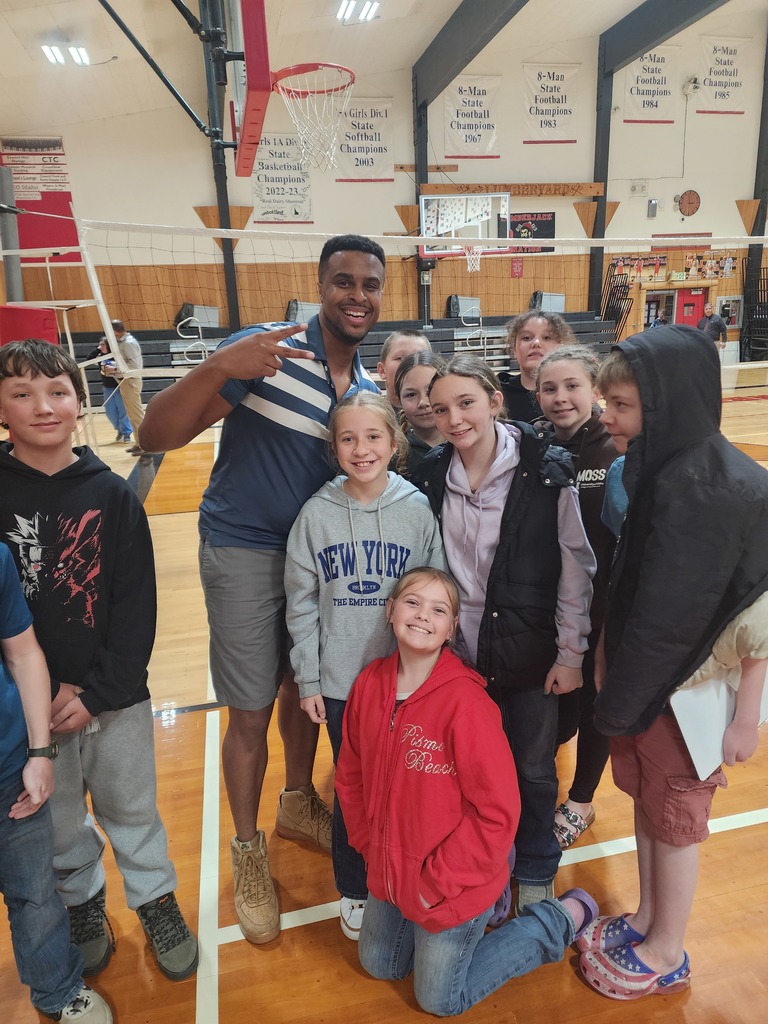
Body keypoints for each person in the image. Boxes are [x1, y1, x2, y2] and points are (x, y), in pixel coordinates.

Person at [138, 235, 386, 945]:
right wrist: (217, 364)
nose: (356, 295)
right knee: (248, 709)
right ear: (320, 286)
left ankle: (298, 800)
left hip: (317, 561)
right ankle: (248, 852)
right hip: (244, 549)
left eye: (369, 284)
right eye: (342, 281)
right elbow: (155, 435)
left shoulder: (364, 390)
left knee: (300, 688)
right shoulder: (269, 351)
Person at [577, 325, 768, 1000]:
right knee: (650, 811)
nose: (608, 417)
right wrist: (609, 667)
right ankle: (649, 916)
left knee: (676, 822)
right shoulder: (664, 469)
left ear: (668, 406)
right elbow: (632, 587)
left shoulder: (712, 490)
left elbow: (673, 619)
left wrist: (618, 699)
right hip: (646, 691)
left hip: (682, 702)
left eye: (622, 406)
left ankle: (665, 946)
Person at [0, 340, 198, 983]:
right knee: (58, 825)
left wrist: (97, 691)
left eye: (57, 391)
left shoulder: (113, 495)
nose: (43, 406)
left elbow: (135, 606)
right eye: (21, 393)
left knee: (132, 808)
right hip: (29, 713)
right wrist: (27, 698)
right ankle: (83, 905)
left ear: (81, 404)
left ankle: (155, 900)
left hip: (114, 700)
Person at [335, 566, 599, 1017]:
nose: (422, 616)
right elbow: (351, 775)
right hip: (392, 871)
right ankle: (461, 918)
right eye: (412, 602)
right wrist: (366, 843)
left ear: (452, 629)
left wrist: (436, 881)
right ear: (390, 610)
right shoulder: (368, 685)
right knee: (379, 964)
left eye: (439, 609)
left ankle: (559, 918)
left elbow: (497, 814)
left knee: (439, 999)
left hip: (452, 883)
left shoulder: (468, 704)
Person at [411, 355, 595, 912]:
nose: (454, 418)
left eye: (466, 402)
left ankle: (536, 866)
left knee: (533, 770)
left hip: (530, 654)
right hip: (462, 661)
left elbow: (574, 566)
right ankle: (489, 869)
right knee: (472, 774)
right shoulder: (431, 474)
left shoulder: (546, 469)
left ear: (495, 401)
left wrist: (571, 653)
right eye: (441, 409)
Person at [285, 392, 445, 940]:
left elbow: (435, 590)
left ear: (394, 443)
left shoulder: (416, 509)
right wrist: (309, 677)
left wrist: (429, 672)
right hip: (341, 685)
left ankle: (404, 874)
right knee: (353, 793)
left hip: (404, 682)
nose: (362, 448)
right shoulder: (315, 515)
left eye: (373, 436)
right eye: (348, 438)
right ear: (333, 448)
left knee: (407, 787)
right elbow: (301, 602)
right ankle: (353, 887)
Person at [0, 541, 112, 1023]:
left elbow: (24, 655)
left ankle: (58, 990)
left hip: (9, 768)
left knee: (36, 892)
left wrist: (40, 752)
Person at [534, 347, 620, 849]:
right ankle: (541, 785)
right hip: (555, 608)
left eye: (571, 386)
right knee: (556, 712)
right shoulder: (534, 445)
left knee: (594, 707)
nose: (561, 397)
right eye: (549, 388)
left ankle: (582, 799)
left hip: (604, 608)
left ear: (594, 389)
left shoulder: (614, 449)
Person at [498, 311, 576, 421]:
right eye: (526, 338)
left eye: (547, 337)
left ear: (562, 347)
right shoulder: (497, 394)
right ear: (514, 349)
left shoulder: (576, 392)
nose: (536, 343)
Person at [393, 350, 446, 477]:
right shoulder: (392, 457)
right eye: (411, 395)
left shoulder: (466, 445)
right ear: (399, 400)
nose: (423, 402)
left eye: (430, 391)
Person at [85, 337, 132, 442]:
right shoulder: (100, 356)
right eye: (99, 344)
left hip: (119, 386)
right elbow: (88, 359)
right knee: (110, 412)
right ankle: (119, 429)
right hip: (107, 388)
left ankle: (126, 433)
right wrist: (98, 349)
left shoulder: (116, 356)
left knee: (122, 411)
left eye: (102, 344)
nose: (100, 346)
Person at [109, 321, 146, 453]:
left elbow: (135, 366)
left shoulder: (128, 343)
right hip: (126, 381)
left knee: (136, 415)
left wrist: (116, 370)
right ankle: (139, 443)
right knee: (132, 415)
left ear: (114, 331)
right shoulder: (122, 343)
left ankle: (145, 444)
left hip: (131, 381)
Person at [376, 329, 431, 405]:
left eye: (420, 358)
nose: (411, 364)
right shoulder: (372, 415)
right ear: (382, 370)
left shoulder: (444, 412)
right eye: (400, 358)